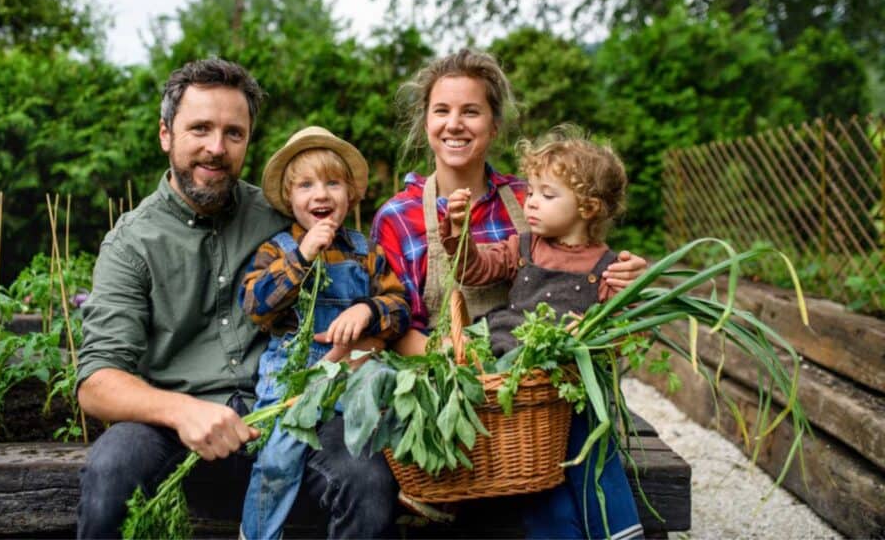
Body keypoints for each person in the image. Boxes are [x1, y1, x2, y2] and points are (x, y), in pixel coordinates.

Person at [75, 60, 397, 539]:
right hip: (174, 428)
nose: (216, 148)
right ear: (166, 134)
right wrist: (183, 411)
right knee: (110, 468)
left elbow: (364, 283)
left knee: (366, 478)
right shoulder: (132, 244)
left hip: (291, 410)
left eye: (233, 133)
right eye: (199, 129)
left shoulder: (282, 217)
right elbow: (96, 384)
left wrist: (366, 332)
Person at [369, 49, 647, 537]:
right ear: (427, 121)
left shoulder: (533, 199)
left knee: (557, 495)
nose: (455, 124)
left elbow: (584, 268)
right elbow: (394, 329)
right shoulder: (398, 216)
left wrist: (621, 278)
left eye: (471, 111)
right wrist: (465, 369)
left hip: (534, 416)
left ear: (494, 125)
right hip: (453, 406)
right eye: (442, 111)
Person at [442, 125, 643, 538]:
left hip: (571, 389)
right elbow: (474, 269)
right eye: (531, 191)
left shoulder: (607, 267)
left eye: (547, 195)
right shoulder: (525, 246)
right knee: (538, 481)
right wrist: (459, 233)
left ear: (587, 207)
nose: (531, 203)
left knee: (593, 457)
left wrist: (630, 296)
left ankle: (619, 531)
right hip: (521, 385)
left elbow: (626, 334)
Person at [238, 126, 410, 540]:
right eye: (306, 185)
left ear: (351, 195)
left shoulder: (366, 251)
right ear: (289, 197)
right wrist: (302, 257)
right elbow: (255, 305)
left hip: (352, 375)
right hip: (293, 379)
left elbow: (400, 309)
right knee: (277, 458)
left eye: (333, 183)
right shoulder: (278, 249)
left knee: (383, 440)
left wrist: (369, 310)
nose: (321, 194)